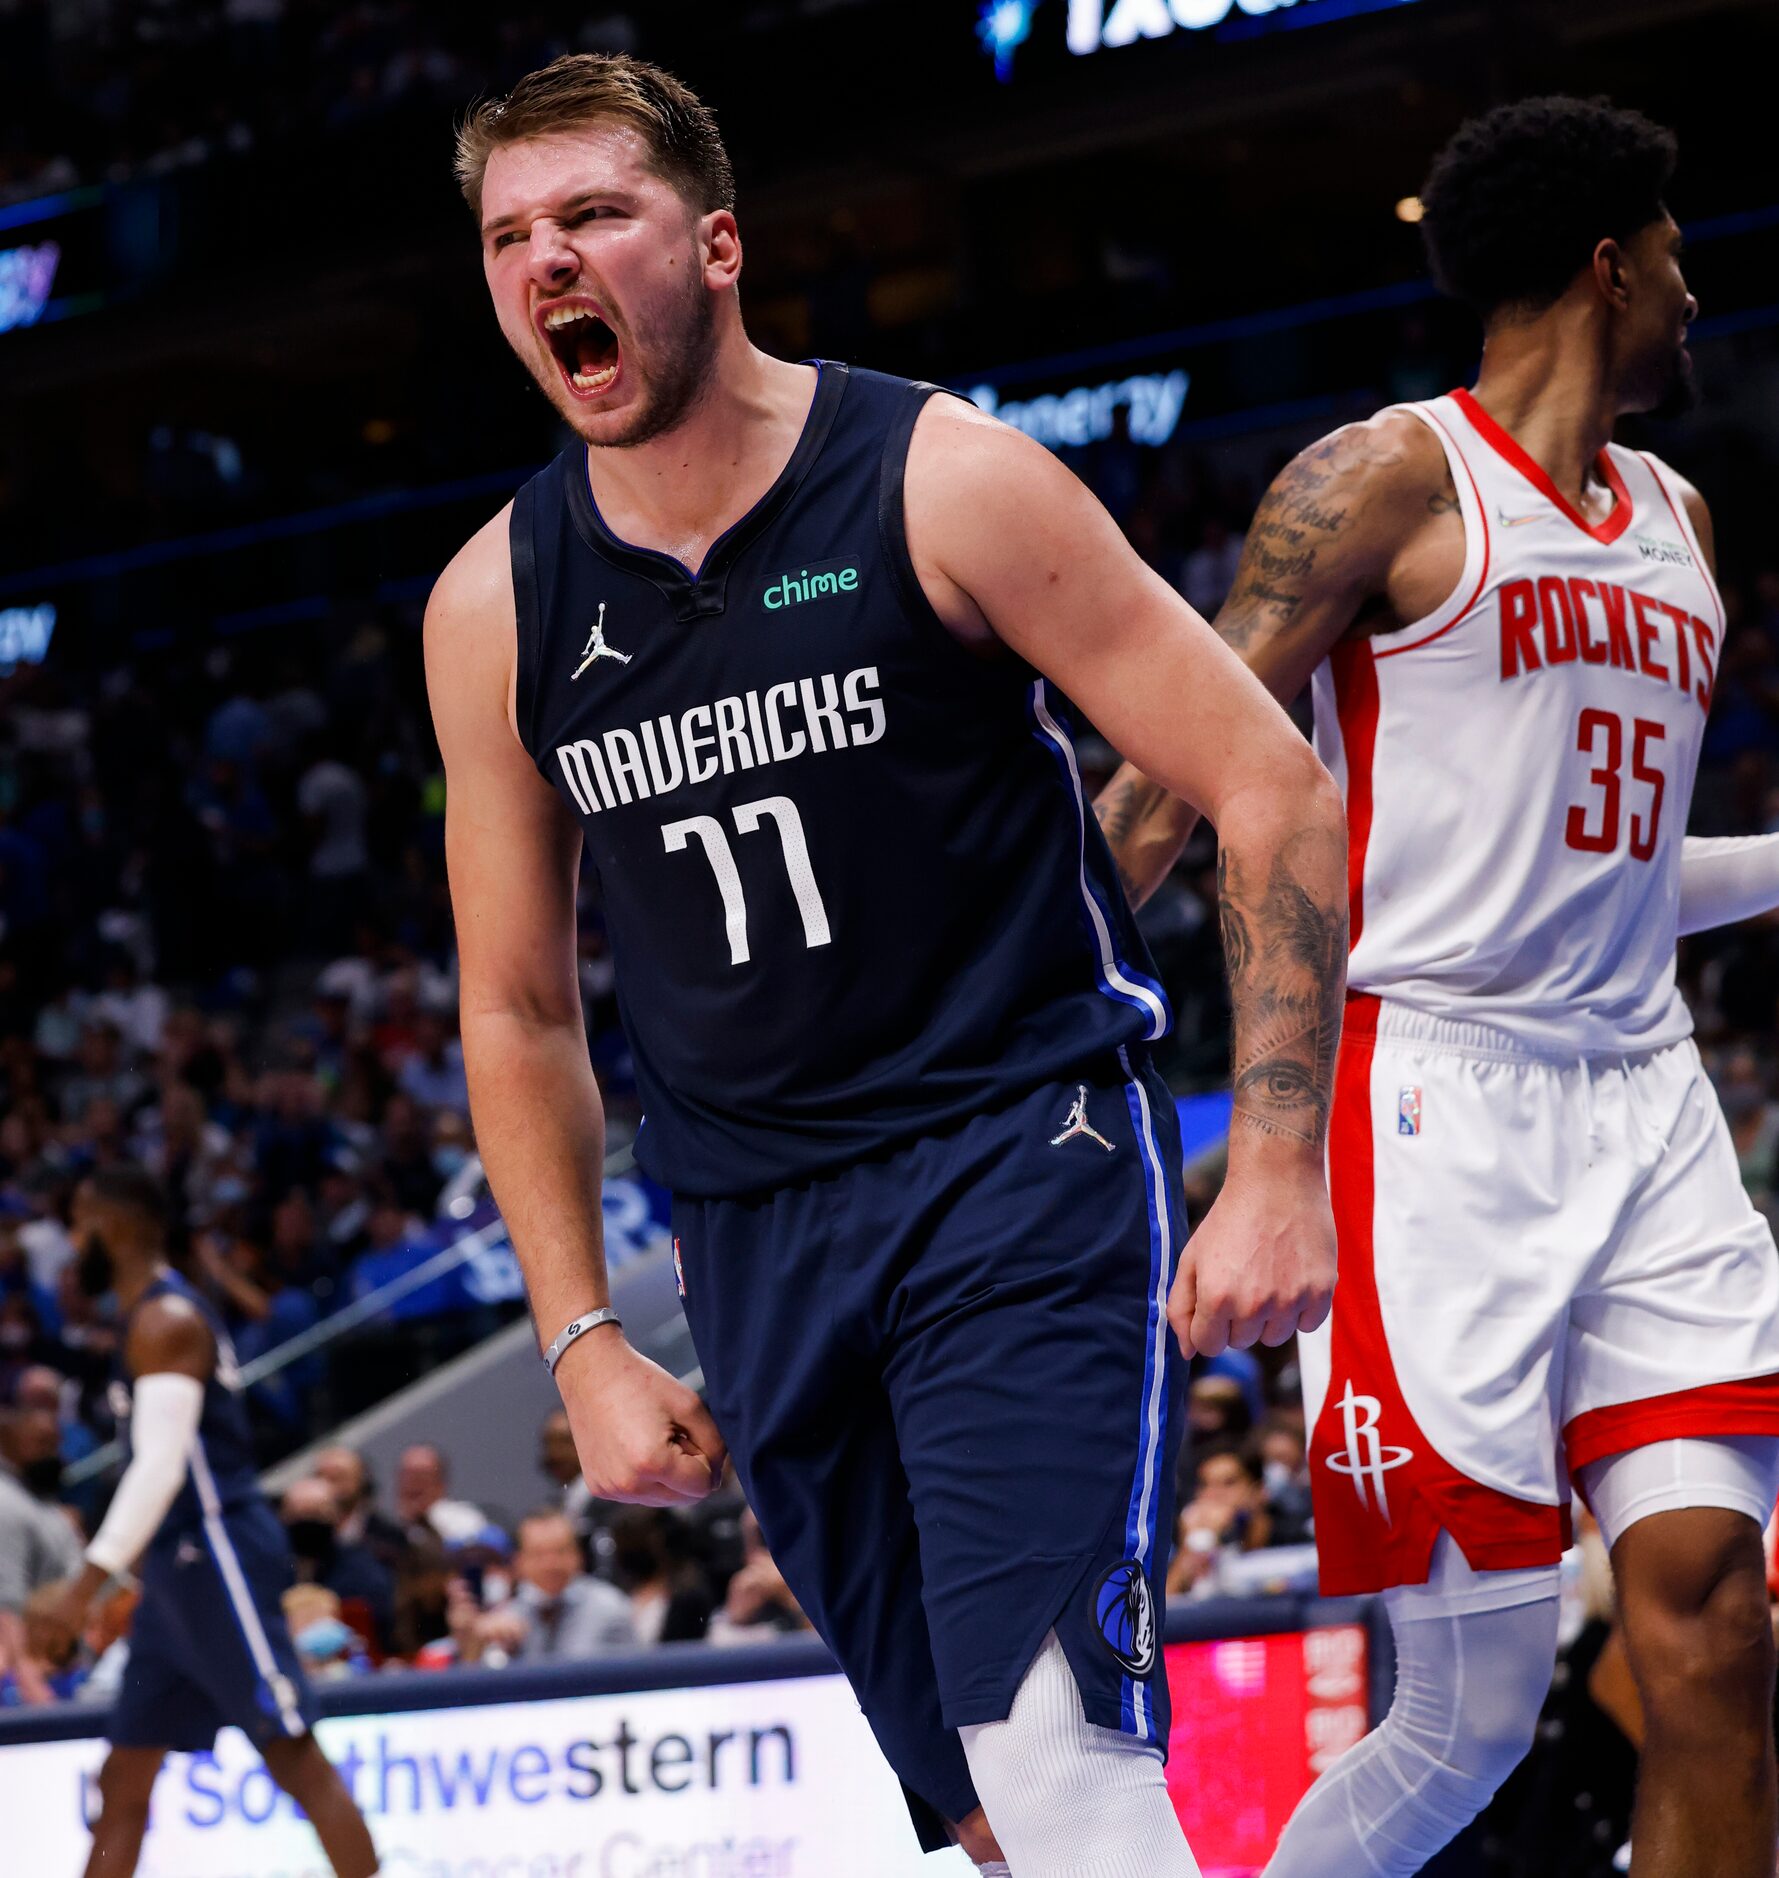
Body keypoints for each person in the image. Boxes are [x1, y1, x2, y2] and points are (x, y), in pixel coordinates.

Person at [427, 51, 1345, 1876]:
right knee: (983, 1811)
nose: (546, 262)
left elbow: (1265, 782)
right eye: (508, 234)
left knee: (1063, 1758)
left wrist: (1271, 1159)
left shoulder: (945, 478)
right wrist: (583, 1336)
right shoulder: (492, 602)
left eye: (591, 215)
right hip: (753, 1232)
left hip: (1018, 1160)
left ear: (714, 243)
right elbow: (517, 1005)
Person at [1096, 97, 1779, 1878]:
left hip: (1639, 1093)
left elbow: (1616, 886)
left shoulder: (1681, 525)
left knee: (1710, 1628)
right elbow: (1168, 782)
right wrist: (977, 1023)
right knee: (1463, 1722)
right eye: (1678, 260)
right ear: (1607, 259)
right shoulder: (1381, 478)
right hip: (1426, 1105)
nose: (1695, 301)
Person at [49, 1166, 379, 1878]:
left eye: (81, 1223)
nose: (73, 1242)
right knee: (124, 1778)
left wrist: (84, 1589)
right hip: (176, 1565)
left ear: (121, 1226)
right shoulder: (143, 1319)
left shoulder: (168, 1320)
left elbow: (161, 1468)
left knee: (293, 1755)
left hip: (217, 1543)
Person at [0, 1363, 83, 1701]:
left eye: (55, 1444)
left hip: (67, 1663)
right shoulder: (7, 1503)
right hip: (33, 1677)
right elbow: (6, 1608)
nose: (53, 1454)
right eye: (40, 1443)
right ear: (8, 1440)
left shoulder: (39, 1501)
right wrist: (32, 1687)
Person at [486, 1509, 638, 1662]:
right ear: (519, 1562)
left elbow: (632, 1673)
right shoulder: (507, 1614)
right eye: (538, 1554)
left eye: (561, 1551)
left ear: (579, 1556)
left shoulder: (611, 1608)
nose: (550, 1564)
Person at [280, 1475, 396, 1655]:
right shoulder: (270, 1569)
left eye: (317, 1514)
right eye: (298, 1514)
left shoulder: (362, 1570)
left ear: (337, 1517)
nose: (307, 1523)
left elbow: (379, 1622)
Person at [393, 1442, 486, 1547]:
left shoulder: (465, 1521)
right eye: (406, 1474)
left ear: (440, 1484)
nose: (411, 1482)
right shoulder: (385, 1528)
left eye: (421, 1476)